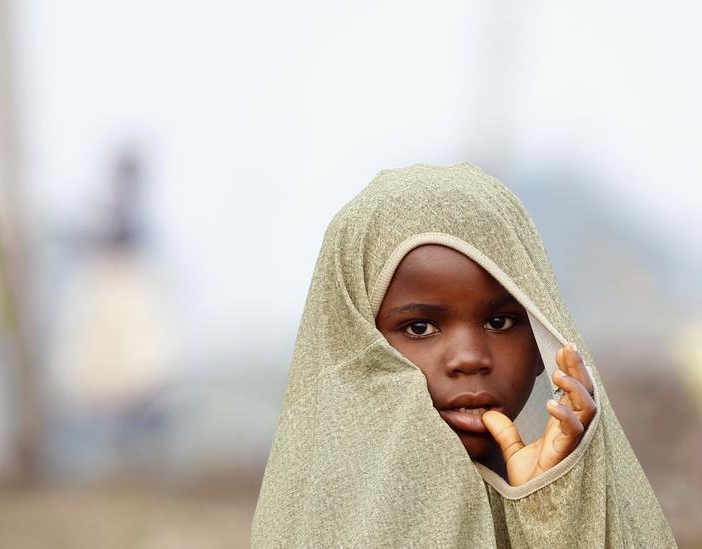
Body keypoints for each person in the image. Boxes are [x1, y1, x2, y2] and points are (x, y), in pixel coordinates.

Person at [250, 163, 676, 547]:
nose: (470, 358)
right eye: (420, 328)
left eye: (501, 322)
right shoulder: (320, 524)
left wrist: (553, 511)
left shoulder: (579, 498)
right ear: (356, 348)